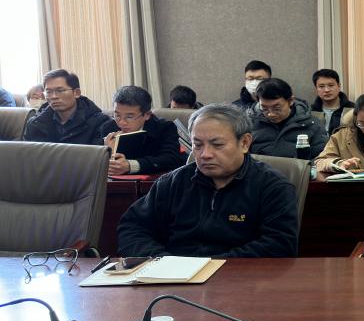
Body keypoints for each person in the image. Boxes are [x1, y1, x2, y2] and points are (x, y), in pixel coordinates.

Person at [117, 104, 299, 257]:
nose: (205, 154)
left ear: (244, 143)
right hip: (175, 275)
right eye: (197, 145)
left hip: (240, 278)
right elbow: (132, 227)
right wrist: (162, 260)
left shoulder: (272, 186)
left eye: (217, 145)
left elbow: (279, 244)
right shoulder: (173, 182)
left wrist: (211, 266)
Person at [96, 85, 185, 175]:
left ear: (147, 115)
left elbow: (171, 159)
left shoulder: (164, 128)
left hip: (153, 180)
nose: (122, 122)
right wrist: (107, 152)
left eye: (129, 117)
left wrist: (130, 165)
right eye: (117, 115)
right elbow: (96, 163)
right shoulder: (108, 128)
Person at [23, 69, 108, 145]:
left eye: (60, 90)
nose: (54, 96)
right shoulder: (35, 123)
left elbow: (99, 156)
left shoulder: (101, 123)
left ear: (77, 93)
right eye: (49, 92)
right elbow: (27, 155)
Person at [249, 78, 329, 159]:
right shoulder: (250, 124)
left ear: (291, 101)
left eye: (277, 108)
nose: (271, 114)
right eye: (264, 109)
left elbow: (321, 159)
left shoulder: (312, 124)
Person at [310, 68, 355, 134]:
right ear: (316, 89)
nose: (326, 90)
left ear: (339, 86)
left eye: (331, 85)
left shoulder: (352, 109)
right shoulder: (310, 112)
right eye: (321, 86)